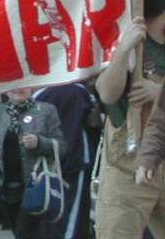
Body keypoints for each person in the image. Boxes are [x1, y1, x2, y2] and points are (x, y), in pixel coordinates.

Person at [95, 0, 165, 238]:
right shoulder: (129, 42)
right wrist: (123, 50)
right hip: (127, 164)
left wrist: (159, 93)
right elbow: (107, 93)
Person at [0, 87, 64, 239]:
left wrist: (40, 143)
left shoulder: (46, 110)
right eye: (13, 86)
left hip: (32, 186)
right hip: (2, 186)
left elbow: (61, 146)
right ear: (5, 90)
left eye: (23, 85)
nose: (18, 90)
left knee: (25, 233)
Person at [34, 83, 99, 239]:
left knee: (48, 210)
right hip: (77, 156)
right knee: (74, 215)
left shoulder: (39, 93)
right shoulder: (81, 92)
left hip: (46, 158)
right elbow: (94, 122)